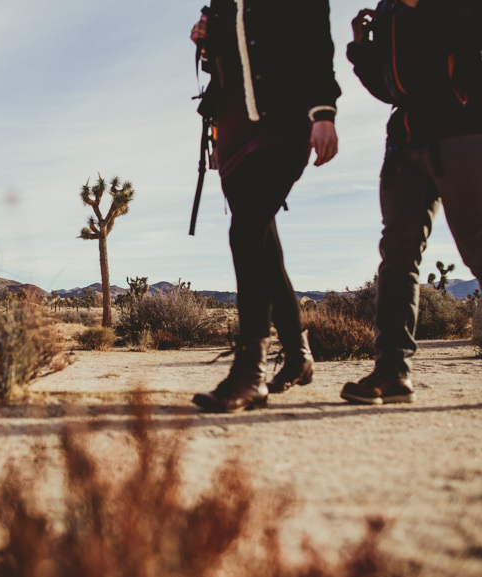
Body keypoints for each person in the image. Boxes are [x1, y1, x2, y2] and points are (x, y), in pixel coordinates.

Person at [342, 0, 482, 406]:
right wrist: (362, 50)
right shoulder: (389, 7)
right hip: (408, 134)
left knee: (478, 241)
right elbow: (389, 87)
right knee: (397, 251)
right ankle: (392, 370)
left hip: (469, 119)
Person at [189, 0, 341, 413]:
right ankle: (297, 355)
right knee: (263, 243)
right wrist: (205, 43)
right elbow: (221, 66)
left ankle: (250, 373)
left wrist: (324, 112)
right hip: (233, 133)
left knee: (246, 230)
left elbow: (317, 47)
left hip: (283, 123)